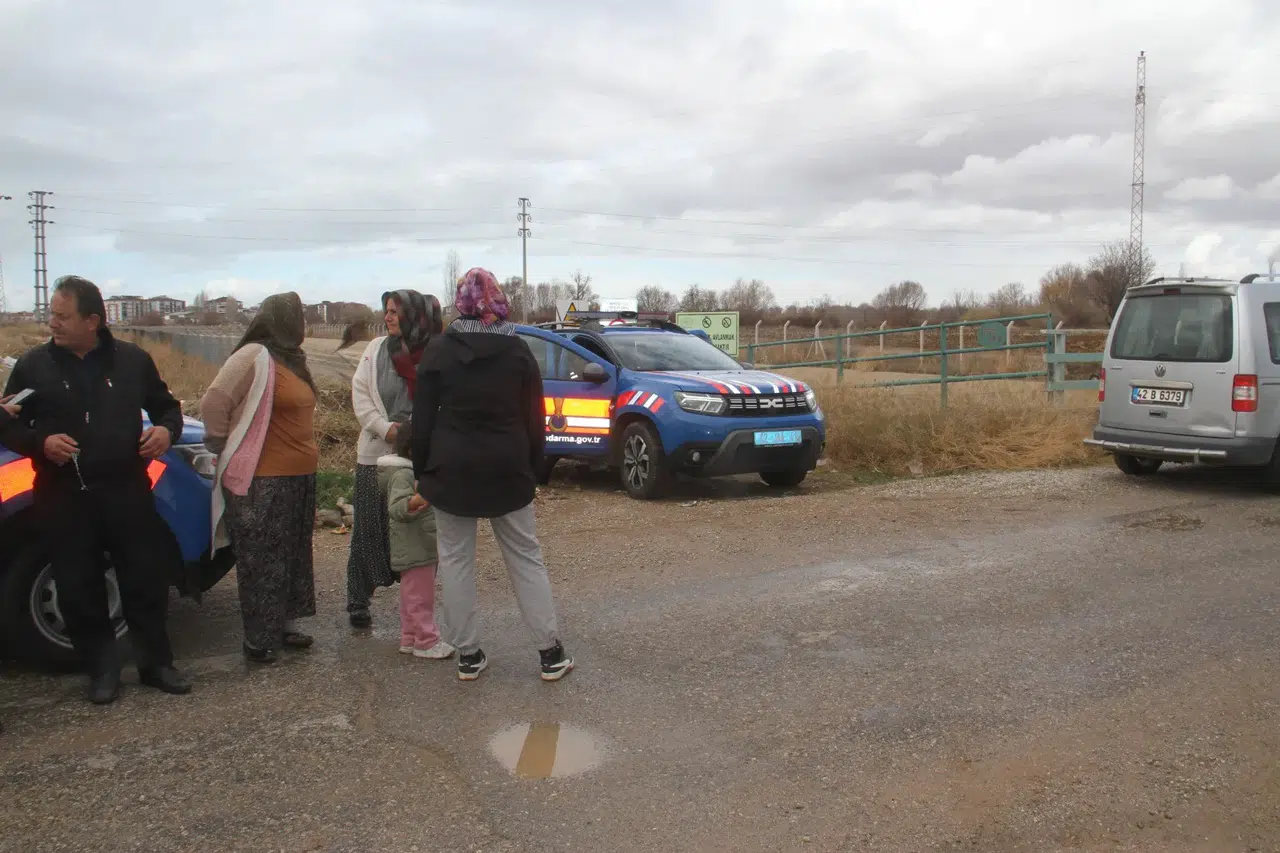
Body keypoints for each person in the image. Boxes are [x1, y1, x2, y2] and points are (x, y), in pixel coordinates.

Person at [2, 275, 190, 704]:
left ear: (93, 321)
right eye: (52, 314)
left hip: (127, 490)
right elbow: (7, 422)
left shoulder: (132, 361)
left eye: (62, 316)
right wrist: (40, 444)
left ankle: (156, 665)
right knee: (78, 585)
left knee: (144, 579)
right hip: (63, 494)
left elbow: (167, 408)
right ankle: (102, 669)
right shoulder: (34, 366)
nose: (53, 323)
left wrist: (165, 431)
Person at [412, 267, 573, 682]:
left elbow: (423, 418)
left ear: (460, 301)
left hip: (451, 470)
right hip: (508, 468)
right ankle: (550, 654)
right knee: (525, 558)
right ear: (498, 302)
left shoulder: (438, 350)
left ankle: (468, 655)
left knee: (455, 561)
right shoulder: (518, 352)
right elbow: (535, 417)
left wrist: (421, 470)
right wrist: (536, 469)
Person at [200, 292, 319, 664]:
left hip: (298, 476)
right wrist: (221, 444)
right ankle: (258, 638)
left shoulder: (293, 360)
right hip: (262, 480)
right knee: (262, 558)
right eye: (296, 316)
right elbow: (214, 401)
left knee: (292, 556)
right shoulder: (254, 355)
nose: (301, 322)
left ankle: (282, 626)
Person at [347, 290, 443, 628]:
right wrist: (388, 431)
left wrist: (418, 439)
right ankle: (359, 599)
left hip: (419, 458)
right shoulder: (374, 351)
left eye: (394, 311)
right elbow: (361, 397)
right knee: (368, 531)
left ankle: (415, 610)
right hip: (376, 455)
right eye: (386, 311)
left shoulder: (434, 353)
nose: (387, 317)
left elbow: (440, 400)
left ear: (413, 316)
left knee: (416, 533)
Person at [379, 427, 453, 659]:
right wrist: (421, 498)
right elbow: (397, 507)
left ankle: (410, 637)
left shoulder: (408, 472)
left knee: (411, 594)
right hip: (415, 546)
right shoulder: (404, 475)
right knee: (421, 597)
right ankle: (427, 641)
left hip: (419, 545)